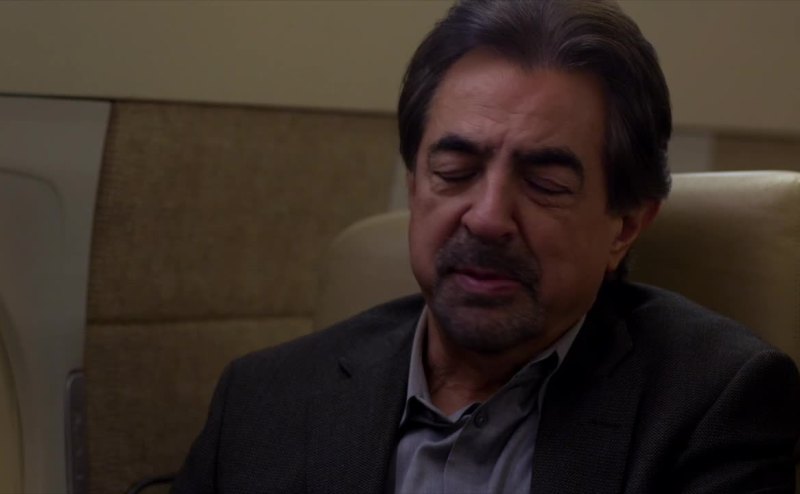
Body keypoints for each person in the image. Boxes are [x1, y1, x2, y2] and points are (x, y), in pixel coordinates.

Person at [172, 0, 800, 492]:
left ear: (625, 227)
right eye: (455, 171)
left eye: (545, 183)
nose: (488, 217)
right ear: (415, 185)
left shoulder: (714, 405)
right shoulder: (265, 399)